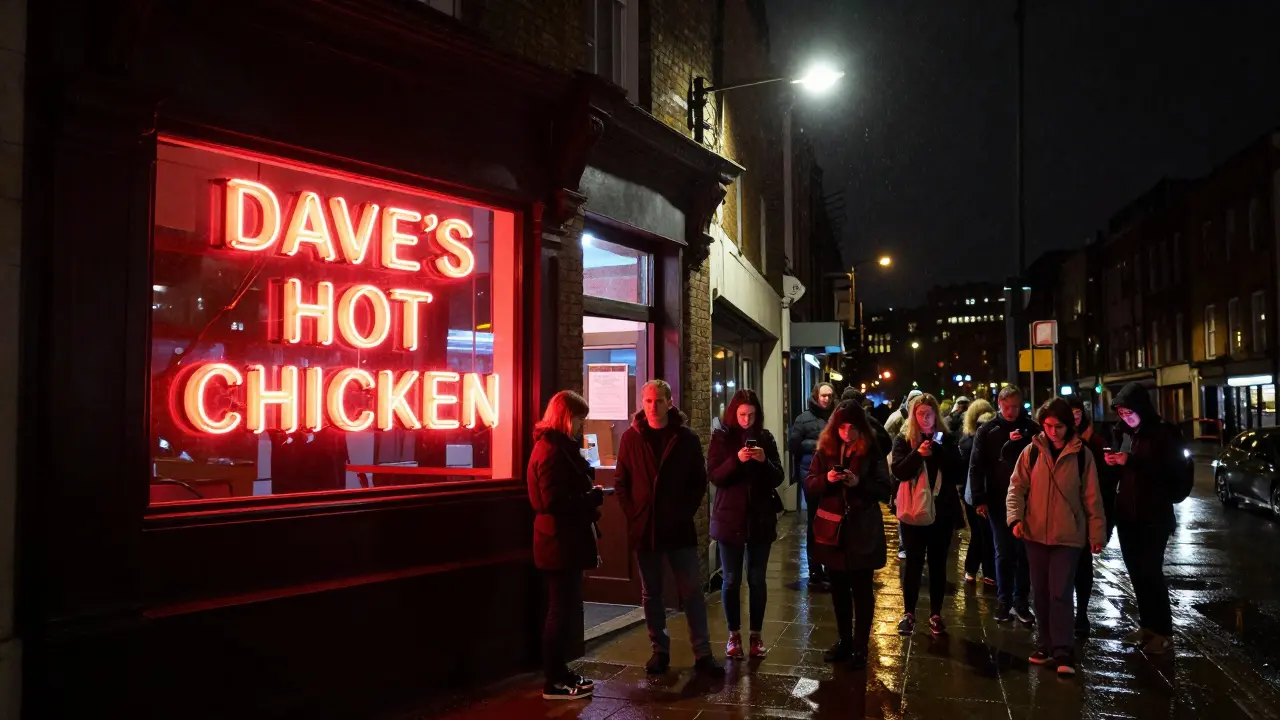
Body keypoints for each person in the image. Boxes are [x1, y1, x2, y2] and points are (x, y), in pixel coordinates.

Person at [615, 380, 725, 676]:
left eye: (658, 401)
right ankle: (659, 651)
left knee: (691, 591)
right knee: (651, 594)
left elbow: (698, 480)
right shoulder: (630, 438)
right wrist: (634, 513)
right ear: (642, 402)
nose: (653, 406)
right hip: (645, 527)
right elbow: (621, 481)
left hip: (677, 528)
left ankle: (702, 653)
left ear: (669, 402)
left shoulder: (685, 438)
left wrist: (683, 512)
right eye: (648, 401)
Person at [1007, 398, 1106, 677]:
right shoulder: (1031, 452)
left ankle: (1063, 648)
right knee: (1039, 591)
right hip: (1035, 533)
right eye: (1048, 426)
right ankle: (1045, 643)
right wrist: (1015, 519)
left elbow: (1092, 497)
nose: (1053, 431)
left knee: (1060, 591)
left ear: (1068, 425)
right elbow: (1016, 488)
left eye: (1059, 426)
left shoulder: (1082, 455)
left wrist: (1096, 533)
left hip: (1068, 536)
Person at [527, 391, 604, 700]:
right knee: (559, 610)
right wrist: (589, 499)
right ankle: (554, 680)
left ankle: (560, 672)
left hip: (563, 541)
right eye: (578, 419)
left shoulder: (559, 448)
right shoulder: (551, 450)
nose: (580, 426)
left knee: (564, 608)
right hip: (558, 542)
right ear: (565, 416)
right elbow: (549, 501)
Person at [1107, 382, 1194, 655]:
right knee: (1136, 573)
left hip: (1153, 516)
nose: (1126, 417)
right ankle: (1147, 626)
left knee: (1151, 572)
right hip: (1127, 516)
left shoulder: (1163, 433)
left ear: (1142, 408)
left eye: (1129, 412)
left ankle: (1164, 632)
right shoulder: (1122, 433)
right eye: (1121, 413)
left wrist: (1129, 461)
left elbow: (1167, 472)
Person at [804, 401, 892, 669]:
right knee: (839, 590)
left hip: (862, 529)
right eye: (842, 427)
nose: (846, 433)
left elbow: (884, 489)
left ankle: (860, 647)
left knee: (862, 590)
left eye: (852, 428)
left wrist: (858, 483)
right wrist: (827, 480)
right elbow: (810, 483)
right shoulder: (826, 448)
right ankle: (844, 640)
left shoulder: (872, 450)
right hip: (833, 531)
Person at [707, 389, 785, 660]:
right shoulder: (722, 438)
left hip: (760, 519)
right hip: (730, 518)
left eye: (751, 415)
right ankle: (733, 635)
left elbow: (778, 477)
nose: (746, 420)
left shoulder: (766, 438)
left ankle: (755, 636)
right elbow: (715, 476)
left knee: (757, 579)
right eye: (742, 414)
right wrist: (736, 460)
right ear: (733, 413)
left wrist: (763, 461)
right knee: (731, 579)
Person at [891, 393, 965, 636]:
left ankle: (935, 613)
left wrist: (939, 451)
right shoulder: (904, 440)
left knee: (937, 564)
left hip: (941, 512)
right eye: (920, 413)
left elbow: (957, 473)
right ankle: (909, 613)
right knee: (913, 563)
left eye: (929, 414)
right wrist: (917, 454)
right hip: (914, 512)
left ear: (936, 416)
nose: (925, 418)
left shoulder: (947, 439)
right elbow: (899, 472)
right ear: (913, 415)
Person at [968, 385, 1039, 624]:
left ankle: (1021, 601)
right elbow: (977, 465)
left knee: (1024, 552)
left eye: (1015, 407)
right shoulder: (988, 431)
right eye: (1006, 407)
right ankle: (1004, 600)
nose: (1010, 412)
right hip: (999, 500)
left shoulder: (1032, 429)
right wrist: (979, 499)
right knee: (1004, 551)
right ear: (999, 405)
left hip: (1028, 499)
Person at [1066, 393, 1116, 637]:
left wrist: (1100, 523)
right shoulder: (1054, 441)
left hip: (1084, 516)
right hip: (1061, 516)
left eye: (1078, 414)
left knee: (1082, 567)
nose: (1075, 418)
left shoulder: (1093, 441)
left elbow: (1104, 485)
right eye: (1070, 414)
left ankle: (1081, 614)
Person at [790, 382, 837, 589]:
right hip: (810, 472)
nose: (826, 399)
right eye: (823, 395)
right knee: (814, 520)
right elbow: (793, 444)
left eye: (829, 395)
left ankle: (830, 567)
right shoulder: (803, 418)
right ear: (816, 396)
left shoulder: (836, 417)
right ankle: (815, 569)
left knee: (832, 519)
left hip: (832, 473)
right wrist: (818, 444)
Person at [959, 399, 997, 586]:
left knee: (978, 533)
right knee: (987, 533)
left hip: (970, 492)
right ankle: (987, 572)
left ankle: (972, 570)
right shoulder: (985, 439)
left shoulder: (966, 440)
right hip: (982, 492)